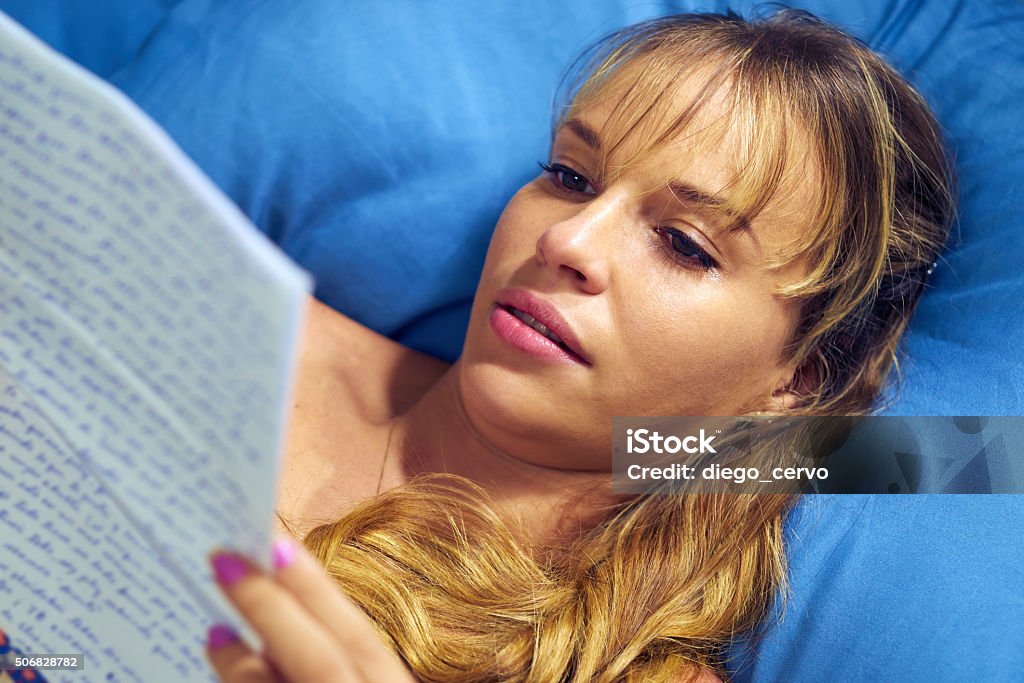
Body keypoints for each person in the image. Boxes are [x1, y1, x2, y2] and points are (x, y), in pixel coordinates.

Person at [200, 8, 953, 682]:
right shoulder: (216, 320)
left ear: (796, 377)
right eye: (570, 176)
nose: (567, 239)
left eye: (684, 244)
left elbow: (961, 458)